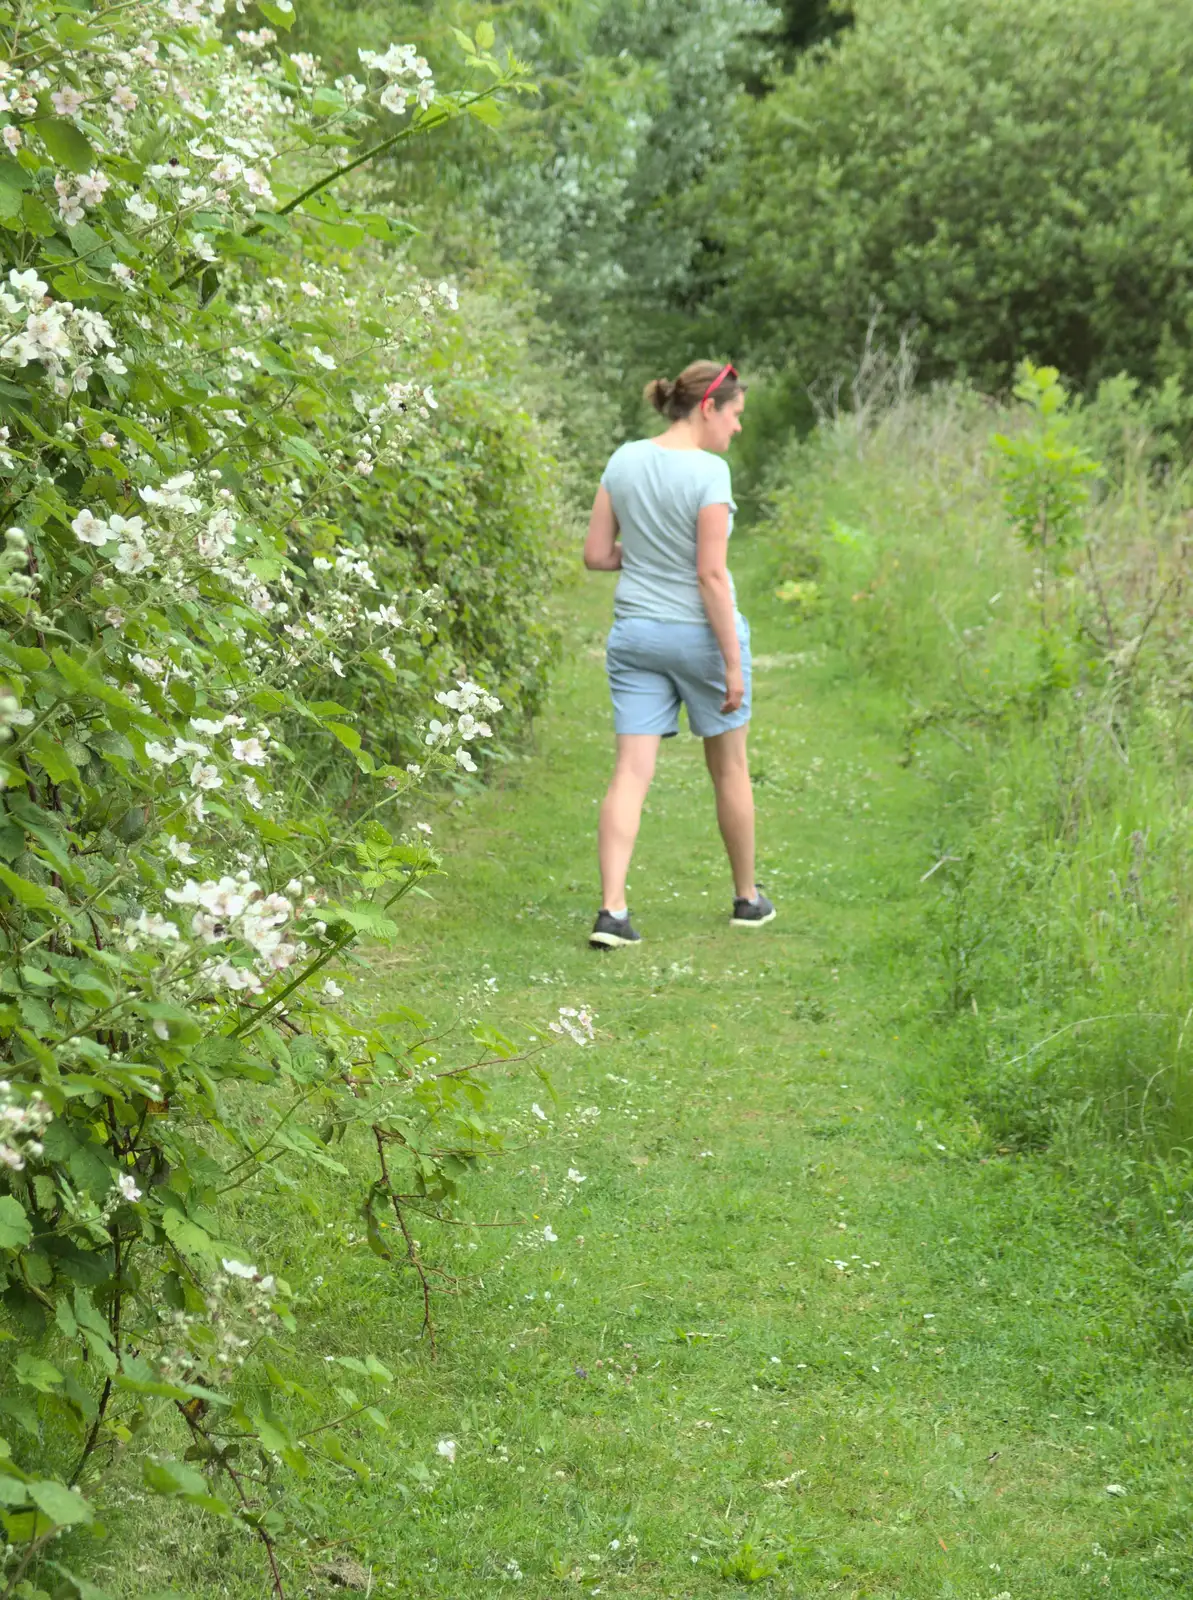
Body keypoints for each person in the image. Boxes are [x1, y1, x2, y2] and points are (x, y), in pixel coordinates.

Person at [582, 359, 776, 950]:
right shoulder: (709, 473)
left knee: (630, 772)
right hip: (699, 639)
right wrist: (734, 665)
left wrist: (642, 558)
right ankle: (746, 898)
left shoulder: (623, 459)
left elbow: (595, 554)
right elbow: (710, 575)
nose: (738, 428)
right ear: (709, 407)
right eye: (737, 415)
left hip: (637, 635)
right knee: (729, 768)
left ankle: (612, 911)